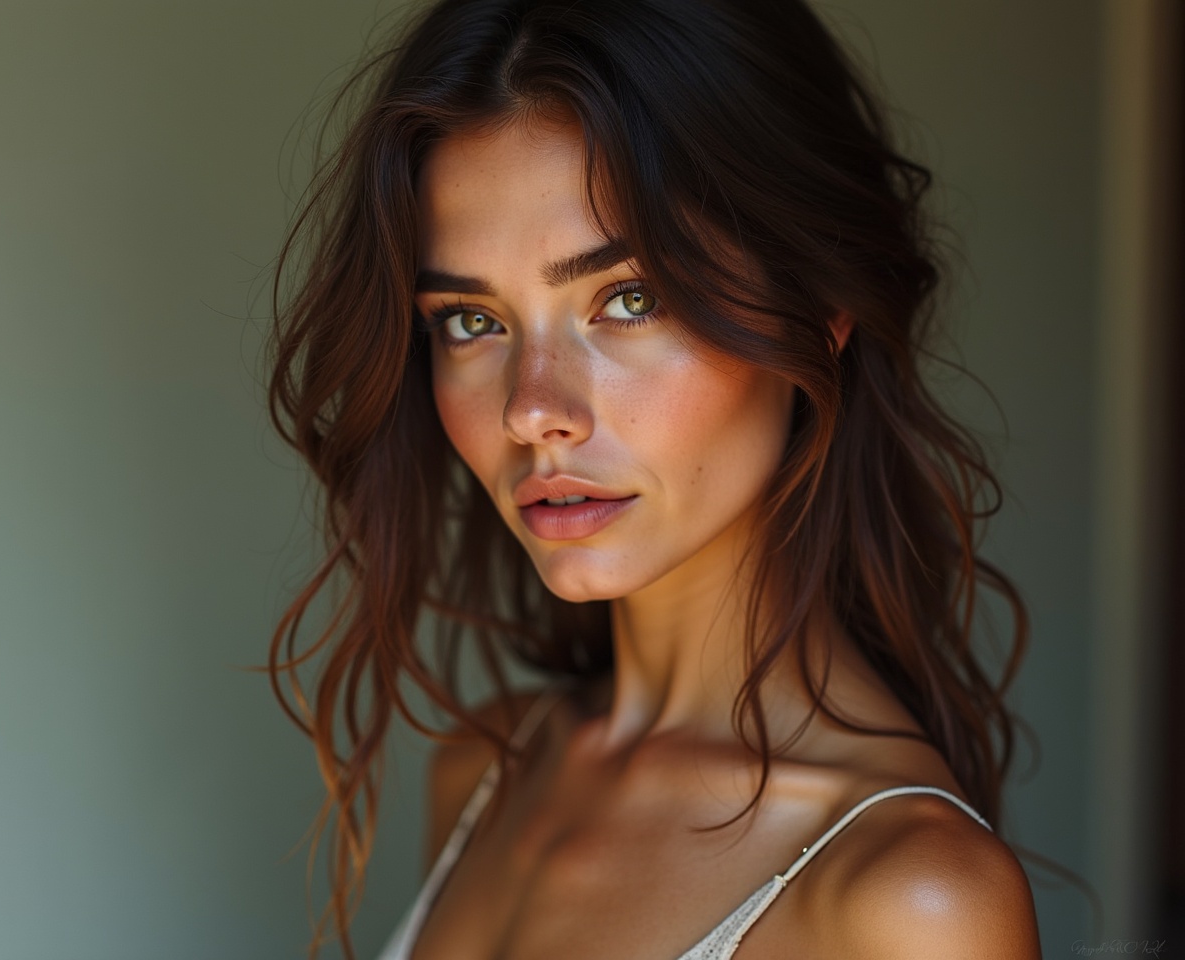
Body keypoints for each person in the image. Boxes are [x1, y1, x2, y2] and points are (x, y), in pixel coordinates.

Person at [265, 0, 1043, 957]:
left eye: (629, 299)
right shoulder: (485, 772)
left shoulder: (910, 900)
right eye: (470, 320)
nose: (531, 409)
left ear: (822, 302)